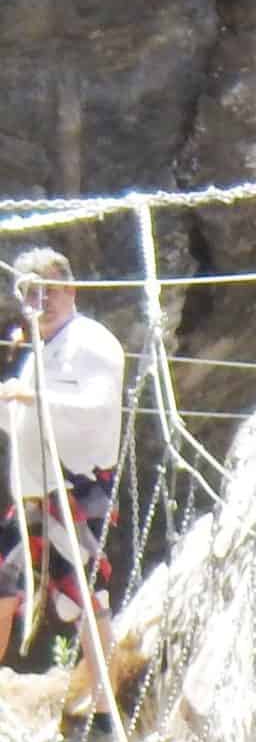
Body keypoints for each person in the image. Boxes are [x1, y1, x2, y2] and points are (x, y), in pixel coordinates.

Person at [0, 249, 126, 674]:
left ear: (70, 289)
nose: (40, 302)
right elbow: (23, 422)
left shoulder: (91, 341)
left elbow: (98, 406)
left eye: (48, 290)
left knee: (86, 599)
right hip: (34, 495)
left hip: (77, 487)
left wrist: (31, 396)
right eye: (29, 293)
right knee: (3, 589)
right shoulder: (39, 351)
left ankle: (109, 702)